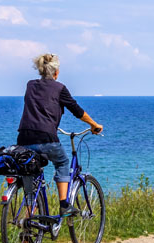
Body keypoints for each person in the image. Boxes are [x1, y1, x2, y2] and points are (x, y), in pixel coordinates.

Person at [17, 53, 103, 217]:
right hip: (46, 138)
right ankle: (64, 205)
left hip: (23, 138)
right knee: (62, 162)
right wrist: (94, 125)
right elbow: (76, 110)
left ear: (41, 70)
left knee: (31, 175)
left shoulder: (30, 85)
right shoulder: (59, 88)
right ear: (56, 72)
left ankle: (28, 222)